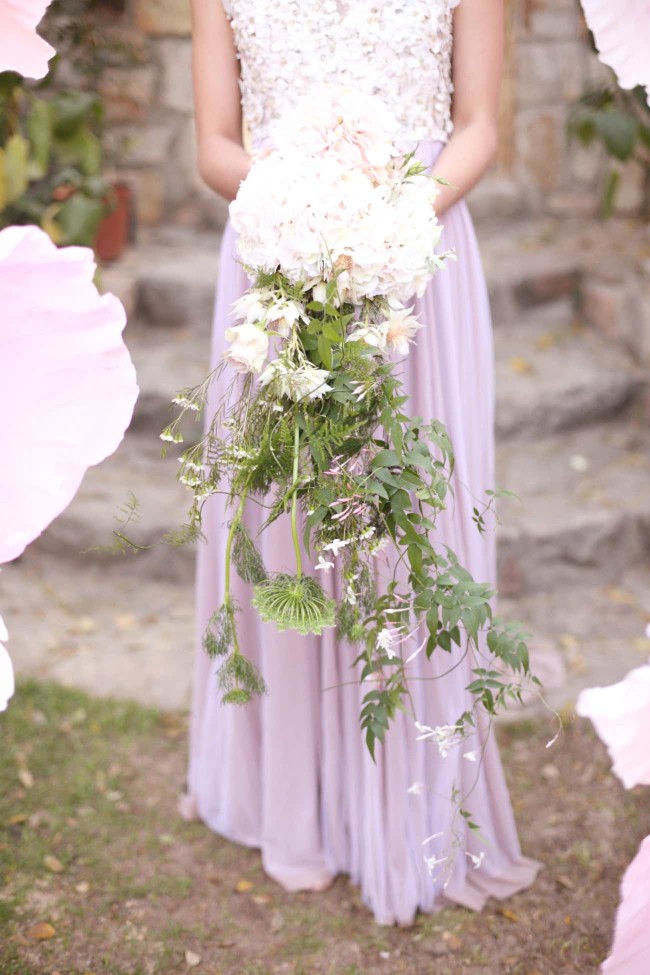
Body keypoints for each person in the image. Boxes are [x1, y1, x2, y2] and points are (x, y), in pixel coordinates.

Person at [184, 0, 539, 926]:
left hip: (418, 257)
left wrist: (388, 222)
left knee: (408, 523)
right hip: (277, 264)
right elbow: (216, 146)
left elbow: (478, 127)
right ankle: (292, 802)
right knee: (289, 525)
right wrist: (300, 219)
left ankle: (409, 801)